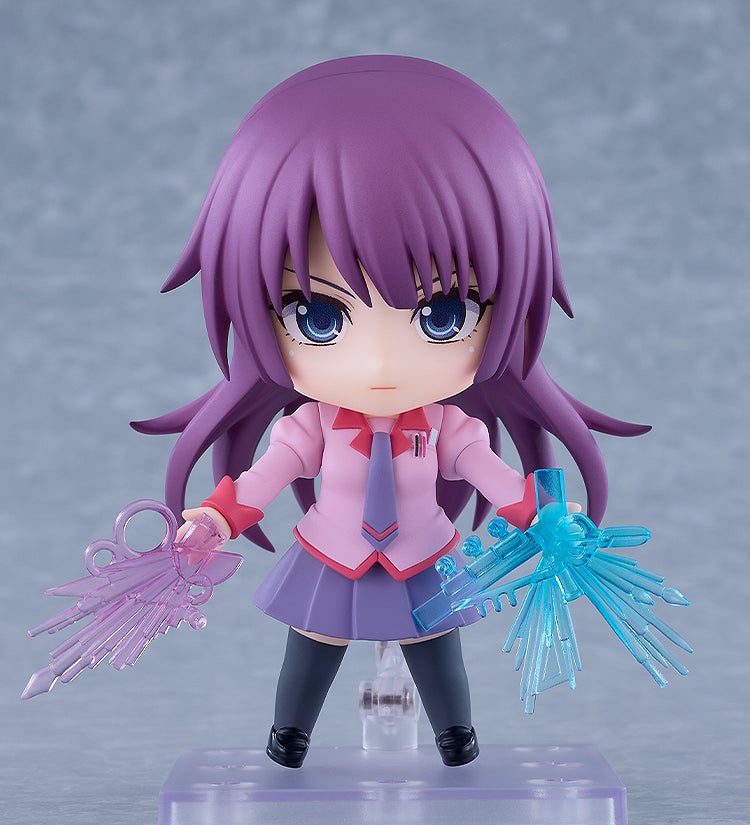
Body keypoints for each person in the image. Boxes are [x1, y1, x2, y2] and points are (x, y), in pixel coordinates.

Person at [133, 55, 648, 768]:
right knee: (313, 641)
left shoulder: (449, 427)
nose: (379, 365)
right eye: (317, 316)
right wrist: (215, 520)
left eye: (442, 315)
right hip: (332, 549)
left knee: (435, 643)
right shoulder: (310, 426)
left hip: (422, 552)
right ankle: (290, 733)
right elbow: (261, 481)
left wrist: (546, 517)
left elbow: (498, 480)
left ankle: (455, 733)